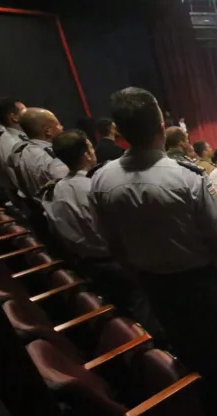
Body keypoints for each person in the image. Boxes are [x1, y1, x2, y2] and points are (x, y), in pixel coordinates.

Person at [89, 87, 217, 416]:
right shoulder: (186, 178)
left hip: (151, 282)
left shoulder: (101, 179)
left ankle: (197, 402)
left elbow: (111, 241)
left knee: (179, 340)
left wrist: (138, 275)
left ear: (117, 131)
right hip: (198, 281)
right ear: (162, 126)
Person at [44, 129, 165, 342]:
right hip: (116, 261)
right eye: (91, 147)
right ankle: (158, 350)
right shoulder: (95, 188)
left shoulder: (57, 189)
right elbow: (119, 229)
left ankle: (140, 342)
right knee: (142, 308)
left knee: (121, 308)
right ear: (86, 154)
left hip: (88, 262)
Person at [12, 108, 68, 198]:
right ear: (48, 131)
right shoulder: (51, 156)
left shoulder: (21, 152)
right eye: (58, 124)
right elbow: (68, 188)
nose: (61, 127)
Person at [0, 97, 28, 204]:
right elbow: (19, 181)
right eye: (25, 111)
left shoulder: (12, 138)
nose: (31, 115)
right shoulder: (13, 143)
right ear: (14, 117)